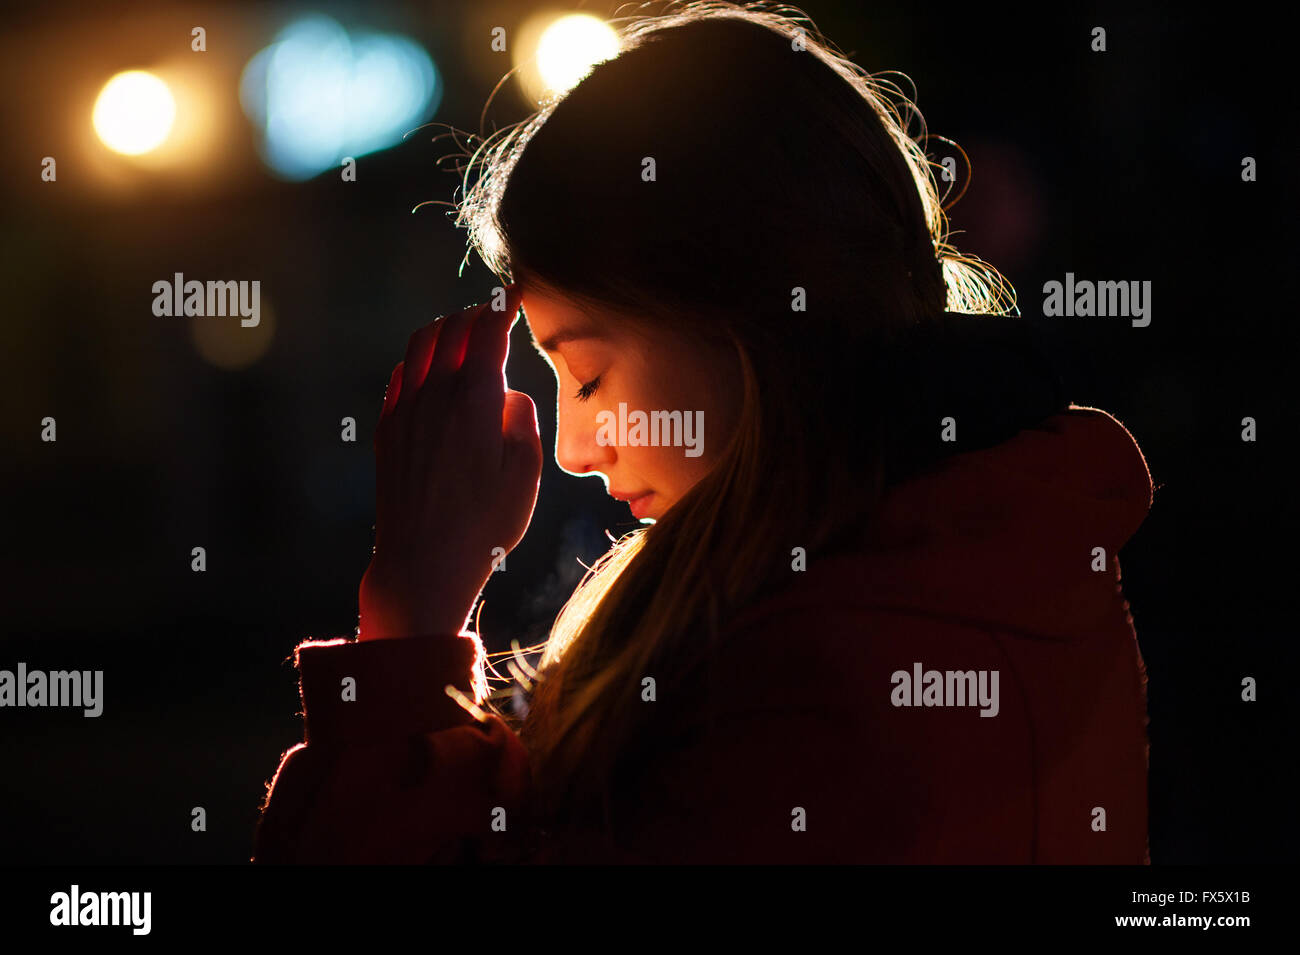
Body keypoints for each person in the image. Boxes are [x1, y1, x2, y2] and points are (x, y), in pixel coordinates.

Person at [252, 1, 1154, 864]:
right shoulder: (967, 561)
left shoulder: (833, 684)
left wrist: (412, 619)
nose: (571, 447)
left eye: (589, 373)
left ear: (744, 324)